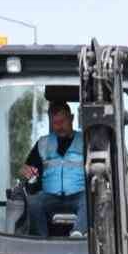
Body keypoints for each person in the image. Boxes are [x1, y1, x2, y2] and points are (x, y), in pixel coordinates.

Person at [19, 101, 88, 238]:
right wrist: (28, 174)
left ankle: (77, 233)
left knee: (90, 199)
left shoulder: (86, 140)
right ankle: (42, 240)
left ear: (72, 118)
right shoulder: (43, 143)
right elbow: (28, 171)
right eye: (55, 123)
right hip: (51, 197)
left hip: (78, 195)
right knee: (34, 201)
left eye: (62, 121)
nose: (59, 126)